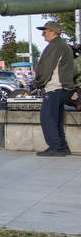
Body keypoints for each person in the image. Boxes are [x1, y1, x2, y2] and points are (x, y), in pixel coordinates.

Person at [33, 20, 74, 157]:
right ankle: (62, 146)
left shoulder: (54, 46)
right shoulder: (64, 45)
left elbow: (46, 68)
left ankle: (55, 147)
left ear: (54, 32)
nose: (43, 34)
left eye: (45, 31)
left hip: (55, 87)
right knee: (57, 119)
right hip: (64, 87)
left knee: (48, 118)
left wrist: (38, 82)